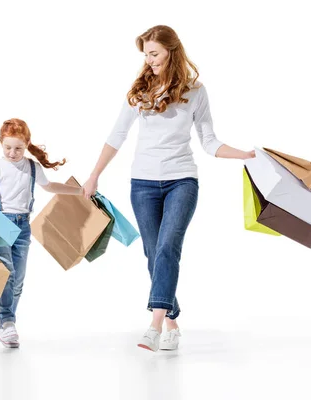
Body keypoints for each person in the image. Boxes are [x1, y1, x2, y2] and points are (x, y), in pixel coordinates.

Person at [82, 25, 255, 352]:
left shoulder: (196, 91)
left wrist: (244, 154)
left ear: (172, 52)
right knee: (153, 253)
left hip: (182, 181)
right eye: (146, 55)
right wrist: (93, 176)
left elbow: (209, 141)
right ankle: (173, 321)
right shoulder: (141, 90)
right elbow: (116, 136)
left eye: (154, 54)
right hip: (143, 184)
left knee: (167, 248)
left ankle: (155, 325)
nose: (149, 61)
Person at [0, 118, 83, 348]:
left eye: (18, 148)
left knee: (17, 281)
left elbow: (49, 187)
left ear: (27, 144)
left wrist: (79, 191)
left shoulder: (31, 167)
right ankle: (7, 321)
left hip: (23, 227)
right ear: (1, 144)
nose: (12, 153)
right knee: (6, 272)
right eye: (7, 147)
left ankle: (5, 327)